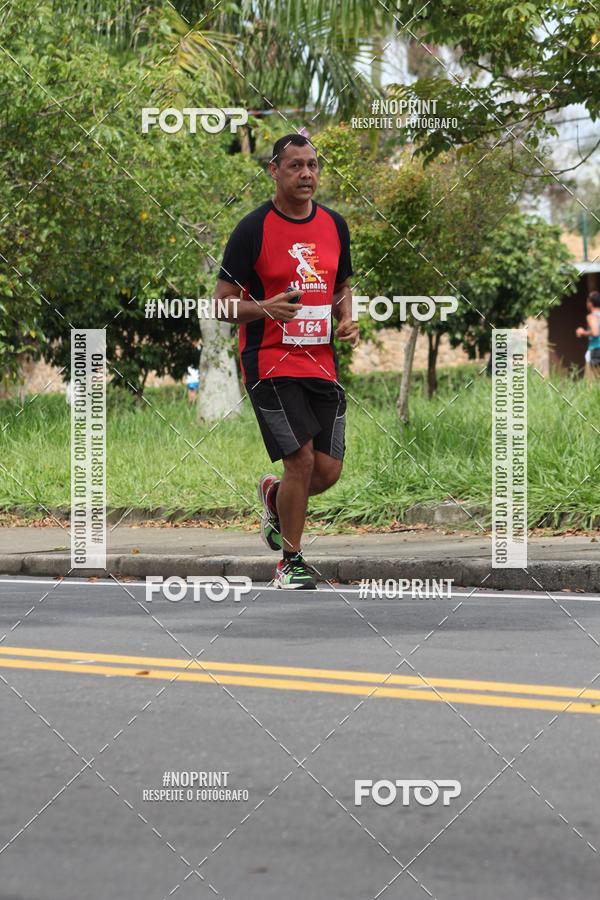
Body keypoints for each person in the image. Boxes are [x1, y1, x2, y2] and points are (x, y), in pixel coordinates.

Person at [214, 133, 359, 589]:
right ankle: (290, 564)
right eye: (295, 166)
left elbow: (341, 287)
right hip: (270, 360)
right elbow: (220, 305)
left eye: (313, 165)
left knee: (326, 470)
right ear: (274, 171)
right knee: (299, 459)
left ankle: (274, 497)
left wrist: (348, 319)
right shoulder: (252, 230)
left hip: (322, 363)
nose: (307, 174)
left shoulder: (335, 225)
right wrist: (264, 308)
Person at [575, 291, 600, 380]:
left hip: (596, 351)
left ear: (590, 303)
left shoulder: (592, 316)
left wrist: (583, 332)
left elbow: (595, 332)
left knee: (591, 382)